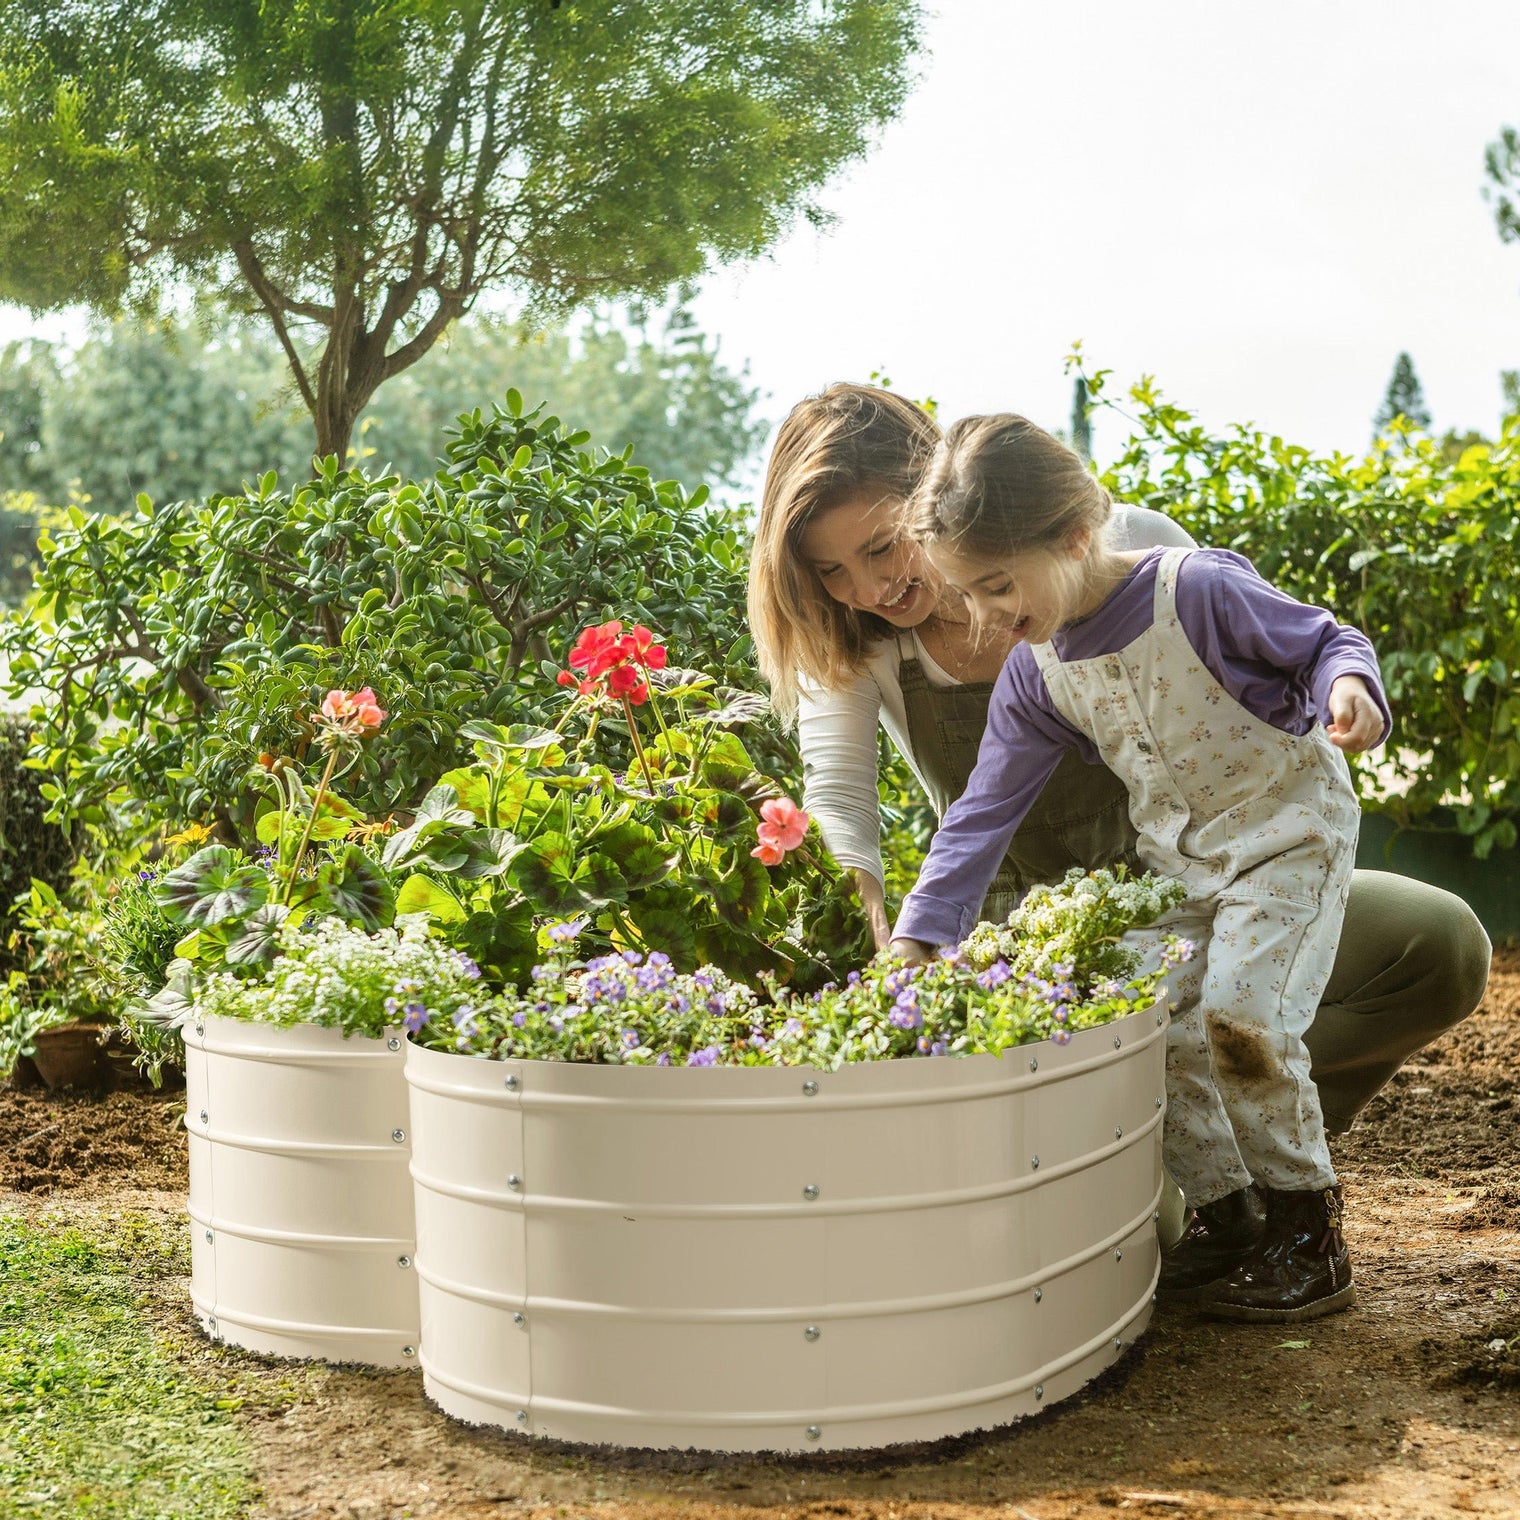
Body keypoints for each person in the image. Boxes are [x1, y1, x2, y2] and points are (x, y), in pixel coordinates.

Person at [747, 382, 1491, 1297]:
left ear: (941, 496)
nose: (870, 589)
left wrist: (1343, 696)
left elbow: (1295, 650)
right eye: (831, 572)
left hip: (1222, 877)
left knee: (1414, 952)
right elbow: (898, 811)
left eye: (882, 546)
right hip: (1060, 932)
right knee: (1153, 1205)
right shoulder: (902, 649)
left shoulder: (1145, 559)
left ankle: (1285, 1196)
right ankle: (1209, 1190)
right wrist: (898, 948)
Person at [885, 411, 1395, 1321]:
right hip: (1183, 868)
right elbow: (982, 811)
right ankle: (1232, 1219)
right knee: (1140, 1016)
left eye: (998, 584)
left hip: (1288, 838)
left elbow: (1324, 643)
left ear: (1077, 534)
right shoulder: (1037, 671)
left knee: (1241, 1018)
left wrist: (1349, 690)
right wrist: (922, 934)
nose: (987, 616)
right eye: (968, 594)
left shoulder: (1194, 591)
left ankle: (1308, 1234)